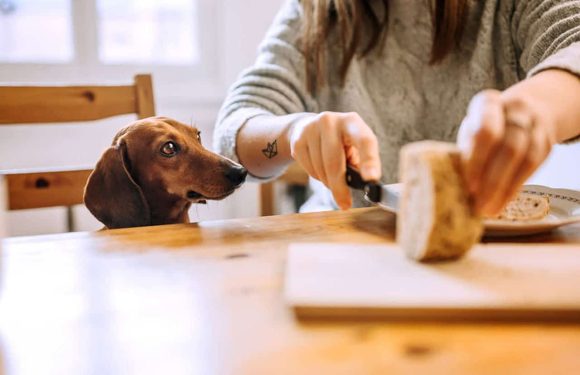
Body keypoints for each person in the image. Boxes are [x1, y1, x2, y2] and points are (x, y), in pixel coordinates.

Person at [214, 0, 580, 215]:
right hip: (348, 250)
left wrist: (537, 109)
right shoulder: (315, 11)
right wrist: (293, 132)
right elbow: (235, 129)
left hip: (487, 244)